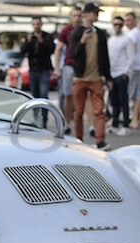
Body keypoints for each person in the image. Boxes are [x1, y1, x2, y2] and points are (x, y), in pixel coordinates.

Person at [69, 3, 112, 150]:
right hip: (80, 78)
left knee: (99, 111)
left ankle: (100, 141)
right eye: (94, 12)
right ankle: (78, 140)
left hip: (96, 77)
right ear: (86, 14)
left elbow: (105, 57)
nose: (97, 15)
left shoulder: (100, 33)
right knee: (78, 112)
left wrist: (108, 77)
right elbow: (72, 54)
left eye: (97, 13)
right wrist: (82, 41)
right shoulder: (77, 32)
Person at [20, 16, 55, 127]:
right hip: (33, 70)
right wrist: (28, 42)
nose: (36, 26)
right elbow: (22, 51)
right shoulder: (29, 37)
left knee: (43, 95)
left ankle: (44, 119)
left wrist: (42, 41)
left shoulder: (47, 37)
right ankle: (36, 119)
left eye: (38, 24)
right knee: (34, 96)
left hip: (44, 69)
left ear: (41, 24)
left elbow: (51, 49)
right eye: (34, 24)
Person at [52, 6, 83, 135]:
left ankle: (86, 126)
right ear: (71, 17)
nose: (76, 18)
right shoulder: (66, 30)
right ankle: (67, 123)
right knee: (68, 95)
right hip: (69, 65)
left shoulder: (85, 30)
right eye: (74, 15)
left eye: (79, 16)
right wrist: (57, 68)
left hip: (83, 67)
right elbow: (58, 49)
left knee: (82, 96)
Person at [107, 16, 133, 136]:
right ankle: (115, 123)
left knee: (124, 100)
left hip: (121, 73)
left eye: (120, 24)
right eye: (115, 24)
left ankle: (126, 124)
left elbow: (131, 57)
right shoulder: (111, 40)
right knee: (114, 100)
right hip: (112, 73)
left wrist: (125, 71)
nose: (117, 26)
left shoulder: (127, 39)